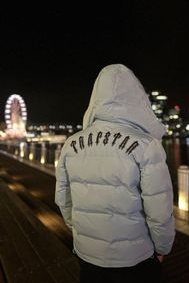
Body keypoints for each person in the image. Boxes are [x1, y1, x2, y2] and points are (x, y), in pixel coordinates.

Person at [55, 64, 175, 283]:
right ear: (137, 99)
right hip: (135, 260)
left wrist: (83, 234)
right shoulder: (147, 146)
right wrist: (162, 249)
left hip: (88, 255)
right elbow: (160, 211)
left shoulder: (71, 145)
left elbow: (63, 200)